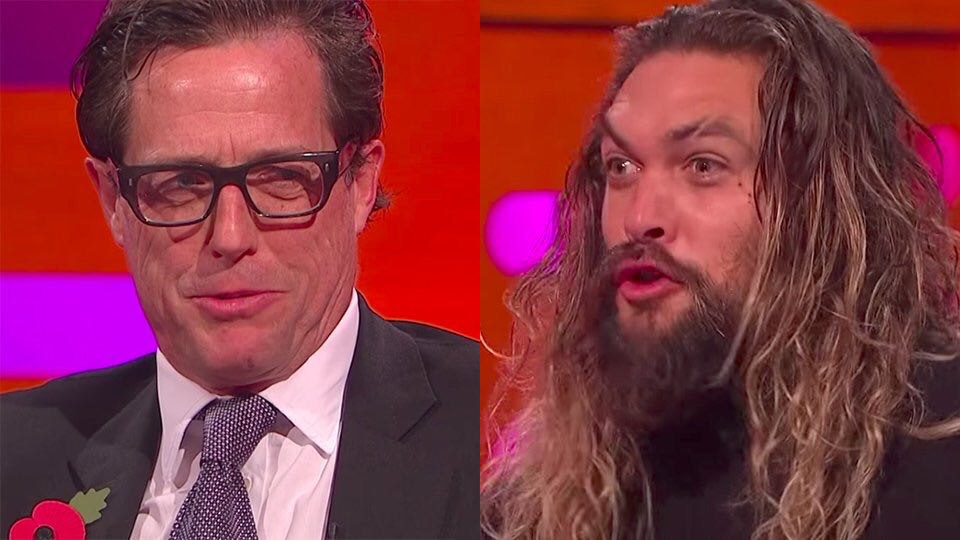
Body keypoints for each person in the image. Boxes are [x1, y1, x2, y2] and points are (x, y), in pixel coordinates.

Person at [480, 0, 960, 538]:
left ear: (821, 198)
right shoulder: (537, 503)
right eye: (622, 166)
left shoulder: (939, 449)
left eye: (702, 165)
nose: (639, 218)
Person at [0, 1, 478, 539]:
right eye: (181, 183)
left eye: (281, 179)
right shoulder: (12, 457)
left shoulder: (488, 432)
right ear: (113, 199)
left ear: (361, 183)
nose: (230, 237)